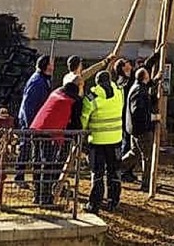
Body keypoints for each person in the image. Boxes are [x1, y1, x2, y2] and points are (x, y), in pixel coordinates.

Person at [30, 74, 83, 206]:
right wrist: (78, 137)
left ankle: (37, 194)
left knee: (37, 162)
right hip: (51, 132)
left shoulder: (57, 91)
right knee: (48, 164)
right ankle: (45, 197)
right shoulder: (74, 99)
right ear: (80, 86)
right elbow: (75, 122)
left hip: (37, 127)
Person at [81, 70, 124, 215]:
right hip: (116, 139)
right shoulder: (119, 92)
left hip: (97, 141)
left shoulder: (91, 97)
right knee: (114, 172)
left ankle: (94, 204)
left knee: (97, 173)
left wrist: (82, 132)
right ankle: (114, 201)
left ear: (96, 82)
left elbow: (84, 118)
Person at [120, 67, 161, 192]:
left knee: (134, 153)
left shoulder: (138, 86)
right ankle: (147, 184)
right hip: (141, 130)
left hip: (134, 129)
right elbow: (138, 112)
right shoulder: (139, 91)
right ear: (145, 77)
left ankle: (114, 168)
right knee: (147, 157)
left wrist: (156, 80)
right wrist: (153, 117)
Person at [15, 55, 54, 187]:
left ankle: (27, 177)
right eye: (51, 64)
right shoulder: (37, 82)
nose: (53, 66)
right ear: (46, 66)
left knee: (33, 150)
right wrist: (30, 124)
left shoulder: (43, 80)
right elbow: (28, 104)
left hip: (35, 121)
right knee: (25, 148)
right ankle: (19, 177)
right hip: (30, 121)